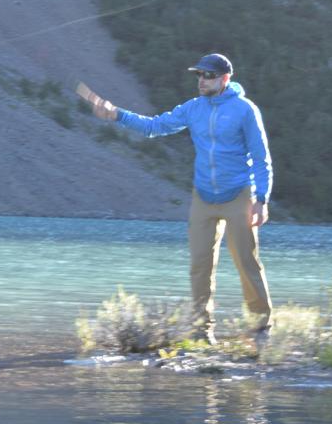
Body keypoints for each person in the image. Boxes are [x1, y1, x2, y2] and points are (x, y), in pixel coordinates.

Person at [76, 53, 273, 344]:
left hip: (238, 195)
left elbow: (261, 157)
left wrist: (262, 198)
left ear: (225, 79)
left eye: (208, 75)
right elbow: (155, 126)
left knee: (246, 260)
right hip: (203, 196)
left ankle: (260, 328)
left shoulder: (245, 110)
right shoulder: (193, 109)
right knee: (200, 264)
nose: (201, 81)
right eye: (199, 75)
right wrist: (116, 114)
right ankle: (202, 331)